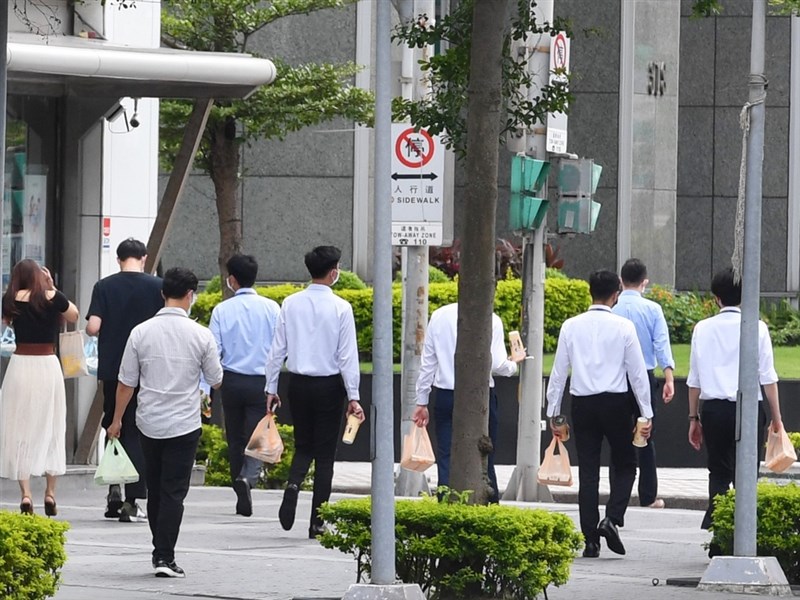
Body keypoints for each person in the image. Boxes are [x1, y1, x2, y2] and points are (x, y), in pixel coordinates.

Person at [107, 267, 223, 578]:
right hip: (184, 423)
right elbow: (216, 377)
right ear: (190, 295)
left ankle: (160, 549)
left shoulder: (141, 332)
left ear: (163, 294)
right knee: (174, 491)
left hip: (148, 421)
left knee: (156, 488)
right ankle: (164, 555)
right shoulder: (201, 335)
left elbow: (125, 383)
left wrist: (117, 420)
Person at [546, 269, 652, 559]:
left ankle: (590, 540)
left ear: (590, 291)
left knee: (589, 472)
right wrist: (647, 412)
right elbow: (638, 374)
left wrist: (553, 412)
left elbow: (558, 374)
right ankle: (612, 517)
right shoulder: (623, 327)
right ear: (616, 294)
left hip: (583, 404)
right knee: (627, 463)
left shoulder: (571, 326)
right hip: (616, 403)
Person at [265, 246, 365, 539]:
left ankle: (293, 485)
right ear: (334, 272)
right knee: (325, 455)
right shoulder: (341, 308)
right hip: (329, 386)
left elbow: (276, 351)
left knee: (303, 445)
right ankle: (317, 521)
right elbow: (347, 357)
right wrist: (354, 396)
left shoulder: (290, 303)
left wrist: (271, 388)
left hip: (297, 383)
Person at [686, 267, 782, 546]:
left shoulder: (702, 328)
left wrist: (693, 418)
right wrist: (777, 420)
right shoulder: (757, 327)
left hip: (714, 409)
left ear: (716, 298)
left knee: (717, 472)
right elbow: (768, 377)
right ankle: (742, 537)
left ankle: (718, 536)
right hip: (750, 407)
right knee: (746, 473)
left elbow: (695, 380)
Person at [86, 238, 163, 522]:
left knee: (114, 425)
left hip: (112, 369)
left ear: (119, 259)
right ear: (143, 258)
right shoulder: (158, 287)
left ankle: (113, 490)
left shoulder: (103, 286)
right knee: (139, 431)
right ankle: (133, 499)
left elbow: (93, 327)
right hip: (147, 369)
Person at [411, 302, 521, 502]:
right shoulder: (492, 319)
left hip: (445, 393)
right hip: (481, 395)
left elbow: (428, 363)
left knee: (446, 457)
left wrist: (422, 401)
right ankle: (488, 508)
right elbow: (497, 364)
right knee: (484, 458)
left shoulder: (438, 316)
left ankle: (447, 507)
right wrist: (514, 364)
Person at [0, 259, 79, 515]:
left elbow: (8, 322)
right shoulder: (51, 297)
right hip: (47, 364)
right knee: (52, 426)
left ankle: (25, 495)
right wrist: (52, 288)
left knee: (21, 428)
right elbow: (74, 315)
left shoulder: (10, 298)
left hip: (21, 365)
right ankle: (50, 493)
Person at [209, 254, 280, 516]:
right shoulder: (272, 308)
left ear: (232, 280)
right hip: (261, 381)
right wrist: (274, 384)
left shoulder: (221, 310)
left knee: (235, 435)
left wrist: (210, 385)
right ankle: (248, 478)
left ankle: (238, 478)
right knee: (257, 434)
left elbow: (213, 350)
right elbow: (278, 349)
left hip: (231, 379)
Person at [611, 258, 675, 509]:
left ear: (620, 281)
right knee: (646, 435)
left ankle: (619, 494)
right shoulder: (652, 309)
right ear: (644, 282)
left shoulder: (612, 310)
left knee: (618, 436)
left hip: (617, 379)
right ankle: (648, 495)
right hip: (645, 377)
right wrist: (669, 376)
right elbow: (661, 344)